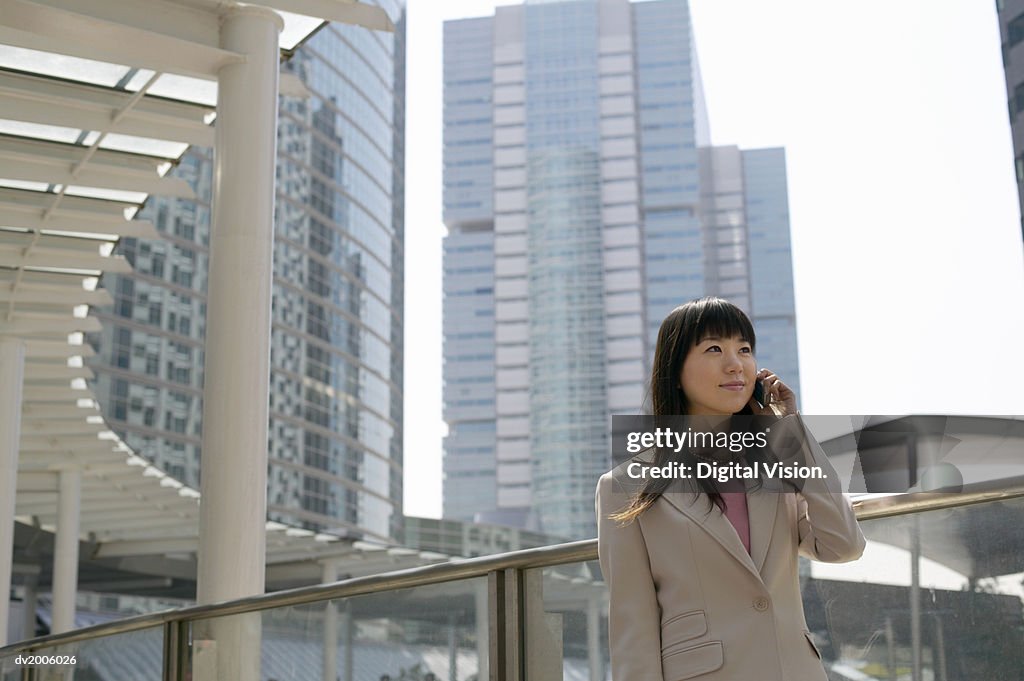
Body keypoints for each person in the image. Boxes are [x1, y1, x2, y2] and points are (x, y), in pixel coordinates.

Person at [595, 297, 865, 681]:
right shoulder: (625, 486)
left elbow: (844, 545)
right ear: (674, 369)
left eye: (745, 349)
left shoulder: (777, 460)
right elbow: (632, 626)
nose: (736, 363)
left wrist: (793, 435)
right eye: (714, 349)